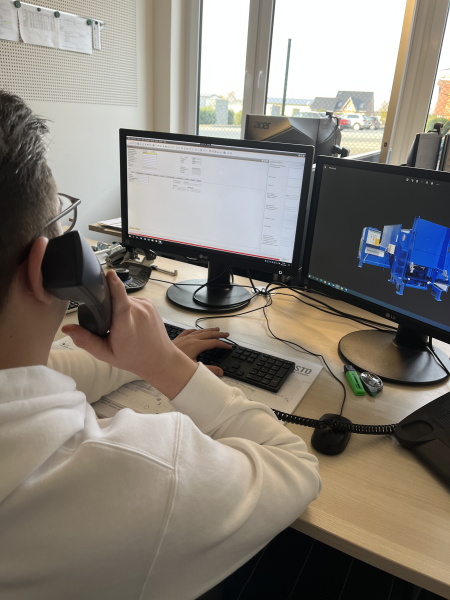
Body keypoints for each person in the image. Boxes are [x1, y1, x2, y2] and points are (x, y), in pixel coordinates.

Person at [0, 90, 321, 600]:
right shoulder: (143, 472)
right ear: (50, 267)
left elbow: (36, 378)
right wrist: (170, 367)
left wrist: (142, 359)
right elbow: (294, 467)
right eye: (63, 220)